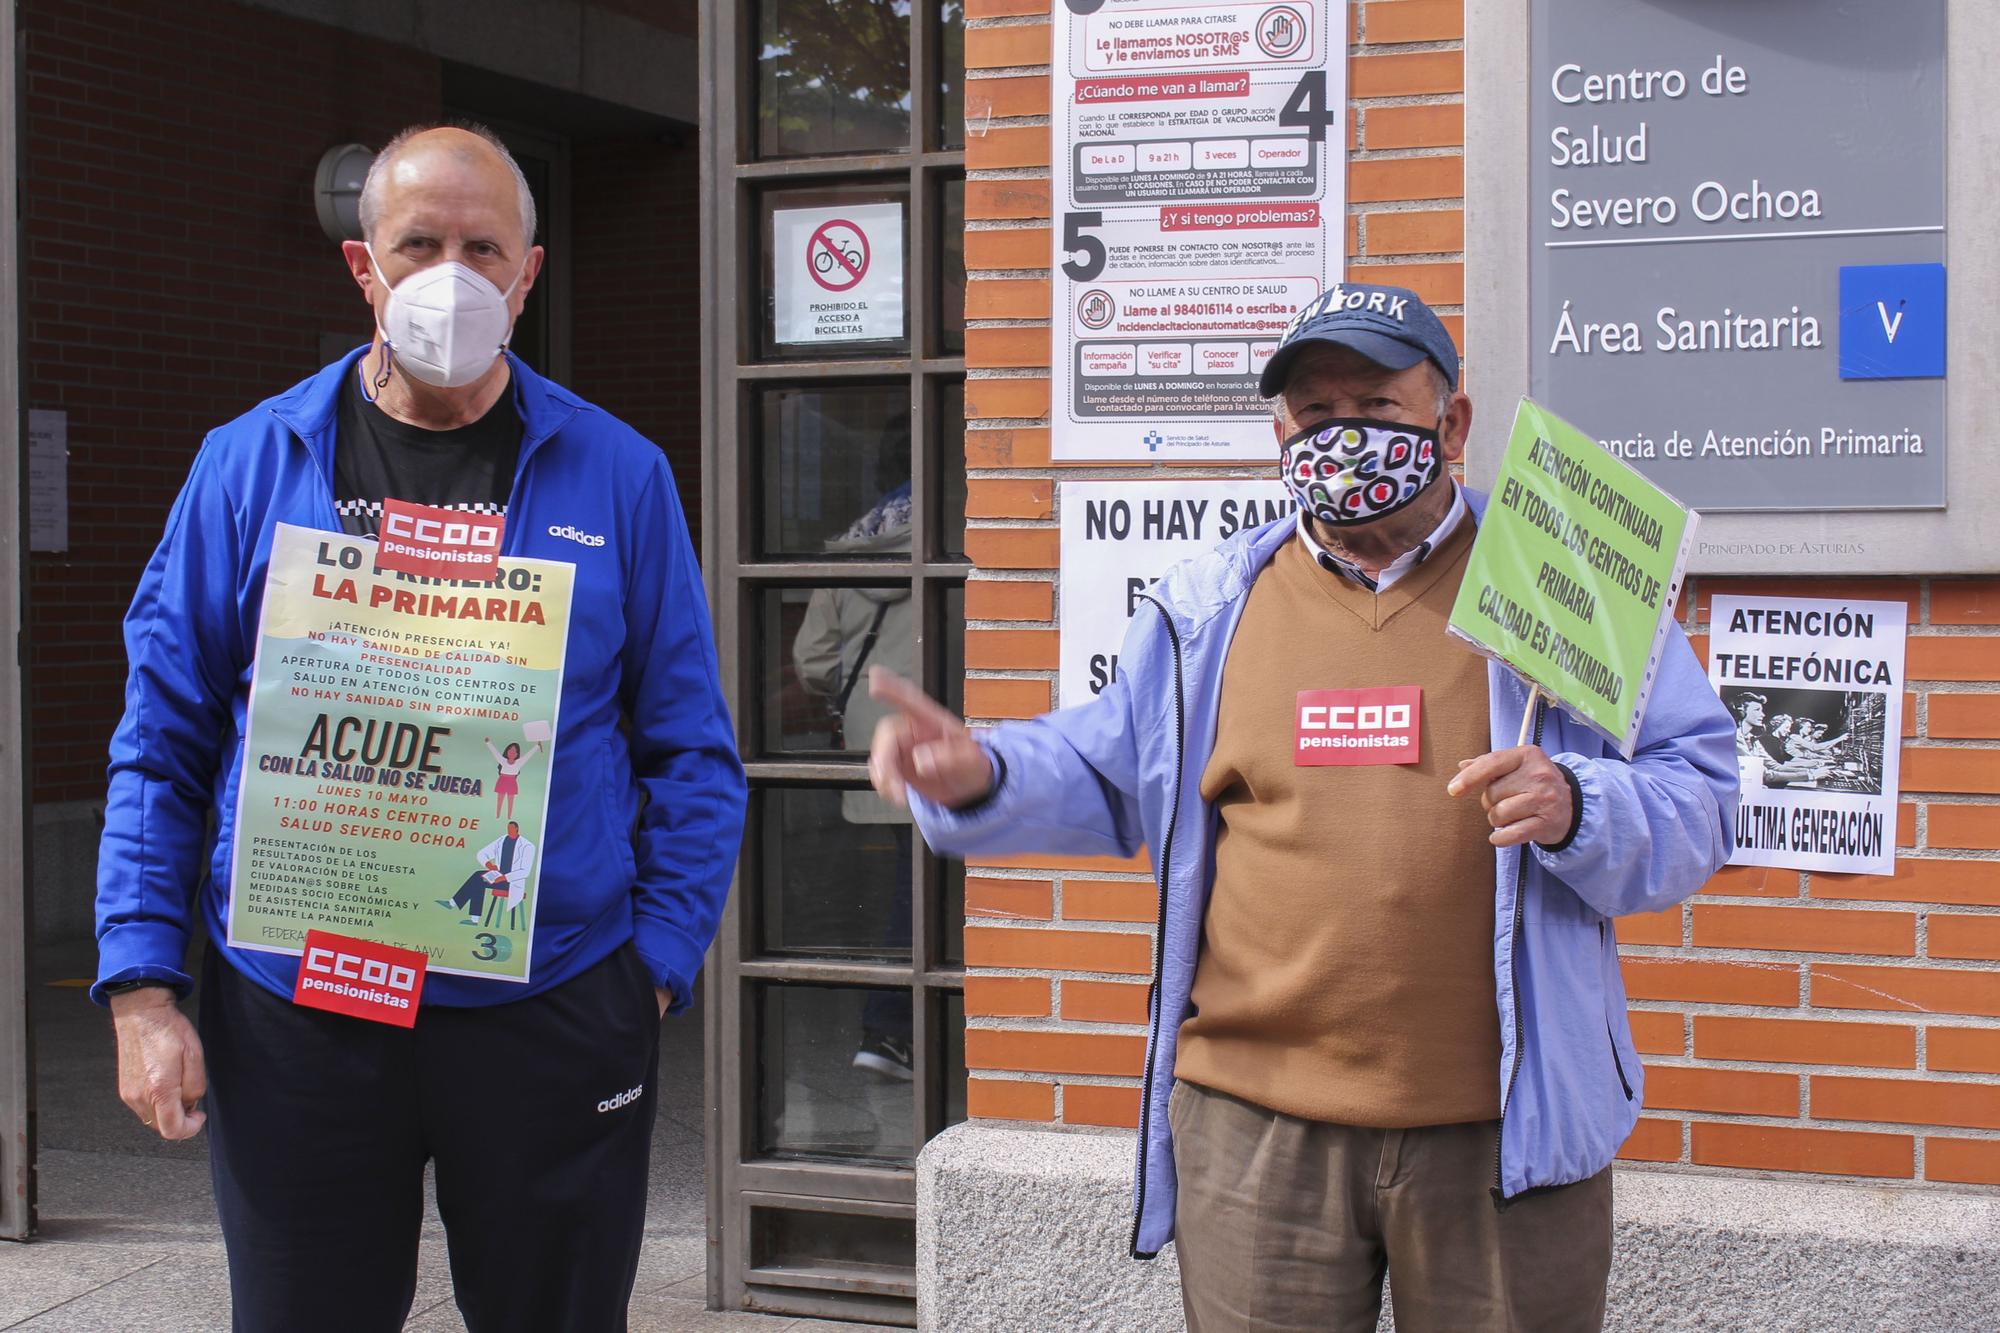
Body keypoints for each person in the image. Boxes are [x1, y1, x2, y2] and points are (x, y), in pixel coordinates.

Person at [866, 283, 1737, 1331]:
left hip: (1503, 1136)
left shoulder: (1561, 587)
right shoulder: (1209, 609)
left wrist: (1578, 804)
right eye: (1316, 418)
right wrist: (981, 773)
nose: (1344, 440)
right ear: (1279, 432)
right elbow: (1105, 770)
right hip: (1255, 1136)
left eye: (1373, 408)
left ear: (1448, 422)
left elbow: (1700, 796)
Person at [92, 123, 746, 1332]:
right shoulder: (248, 466)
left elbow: (692, 751)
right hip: (300, 1015)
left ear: (527, 274)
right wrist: (142, 991)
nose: (453, 273)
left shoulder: (617, 474)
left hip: (549, 1009)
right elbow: (162, 737)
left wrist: (645, 971)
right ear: (363, 269)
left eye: (483, 246)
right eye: (420, 243)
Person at [790, 481, 917, 1079]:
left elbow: (813, 663)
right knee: (923, 898)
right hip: (941, 745)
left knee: (903, 888)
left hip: (872, 749)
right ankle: (890, 1027)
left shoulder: (845, 558)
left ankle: (891, 1026)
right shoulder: (952, 545)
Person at [441, 821, 537, 927]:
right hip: (497, 877)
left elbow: (525, 871)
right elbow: (482, 853)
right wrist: (490, 866)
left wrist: (504, 877)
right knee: (478, 877)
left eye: (511, 829)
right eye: (508, 829)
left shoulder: (527, 846)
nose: (509, 831)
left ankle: (455, 905)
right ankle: (471, 917)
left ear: (517, 829)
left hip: (512, 883)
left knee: (478, 879)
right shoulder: (502, 840)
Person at [484, 735, 543, 818]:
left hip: (511, 782)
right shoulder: (503, 761)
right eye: (510, 750)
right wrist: (488, 743)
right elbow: (495, 753)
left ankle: (509, 816)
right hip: (502, 780)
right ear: (507, 752)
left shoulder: (519, 762)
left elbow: (528, 756)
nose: (511, 752)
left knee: (510, 800)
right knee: (500, 799)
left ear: (517, 754)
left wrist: (537, 746)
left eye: (514, 751)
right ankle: (498, 815)